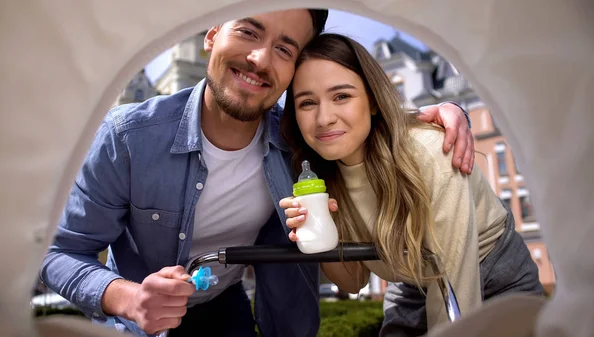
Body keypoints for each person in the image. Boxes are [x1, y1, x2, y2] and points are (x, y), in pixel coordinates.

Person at [39, 8, 475, 337]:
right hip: (142, 319)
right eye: (247, 30)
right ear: (211, 35)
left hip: (231, 306)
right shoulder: (127, 138)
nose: (260, 58)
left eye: (285, 49)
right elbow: (59, 253)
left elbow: (352, 121)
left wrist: (437, 114)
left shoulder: (298, 144)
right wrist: (130, 298)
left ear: (293, 70)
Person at [279, 33, 544, 336]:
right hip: (412, 286)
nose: (324, 118)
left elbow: (457, 291)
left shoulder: (429, 152)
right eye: (307, 103)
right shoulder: (317, 177)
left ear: (374, 101)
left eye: (342, 96)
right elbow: (353, 281)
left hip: (491, 279)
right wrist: (315, 232)